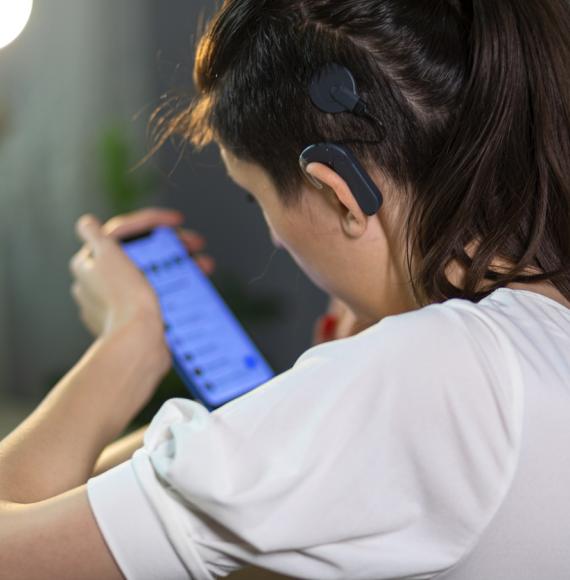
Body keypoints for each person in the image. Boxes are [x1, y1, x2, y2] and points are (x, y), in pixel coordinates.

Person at [1, 0, 570, 578]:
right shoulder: (536, 341)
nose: (274, 238)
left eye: (257, 200)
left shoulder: (431, 372)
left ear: (340, 193)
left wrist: (129, 344)